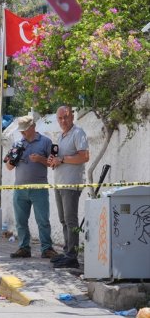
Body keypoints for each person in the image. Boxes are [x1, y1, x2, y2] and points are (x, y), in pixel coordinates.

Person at [4, 115, 57, 259]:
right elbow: (9, 167)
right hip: (20, 189)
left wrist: (40, 159)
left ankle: (47, 248)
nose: (22, 133)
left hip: (39, 188)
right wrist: (12, 159)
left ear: (33, 127)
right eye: (21, 131)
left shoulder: (45, 142)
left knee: (43, 220)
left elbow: (52, 164)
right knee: (20, 221)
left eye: (24, 130)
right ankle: (23, 248)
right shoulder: (17, 143)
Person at [48, 106, 90, 269]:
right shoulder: (61, 136)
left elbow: (84, 156)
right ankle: (67, 253)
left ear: (72, 117)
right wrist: (54, 160)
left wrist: (62, 159)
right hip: (59, 182)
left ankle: (72, 256)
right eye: (60, 118)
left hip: (71, 184)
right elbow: (59, 159)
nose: (63, 121)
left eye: (66, 117)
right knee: (63, 219)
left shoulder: (78, 133)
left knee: (71, 220)